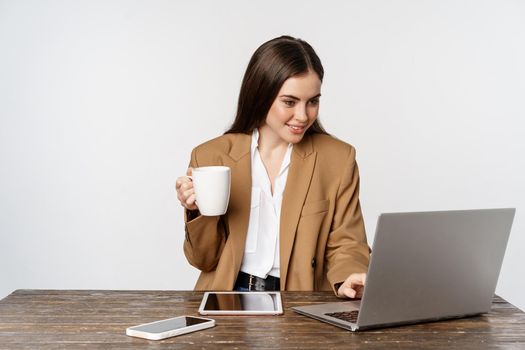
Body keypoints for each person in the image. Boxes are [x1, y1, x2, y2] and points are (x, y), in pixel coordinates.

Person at [176, 35, 370, 299]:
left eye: (313, 101)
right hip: (228, 300)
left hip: (300, 301)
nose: (303, 116)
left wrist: (349, 279)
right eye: (289, 102)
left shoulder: (337, 159)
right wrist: (197, 211)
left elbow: (348, 243)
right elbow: (204, 260)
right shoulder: (210, 156)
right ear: (261, 95)